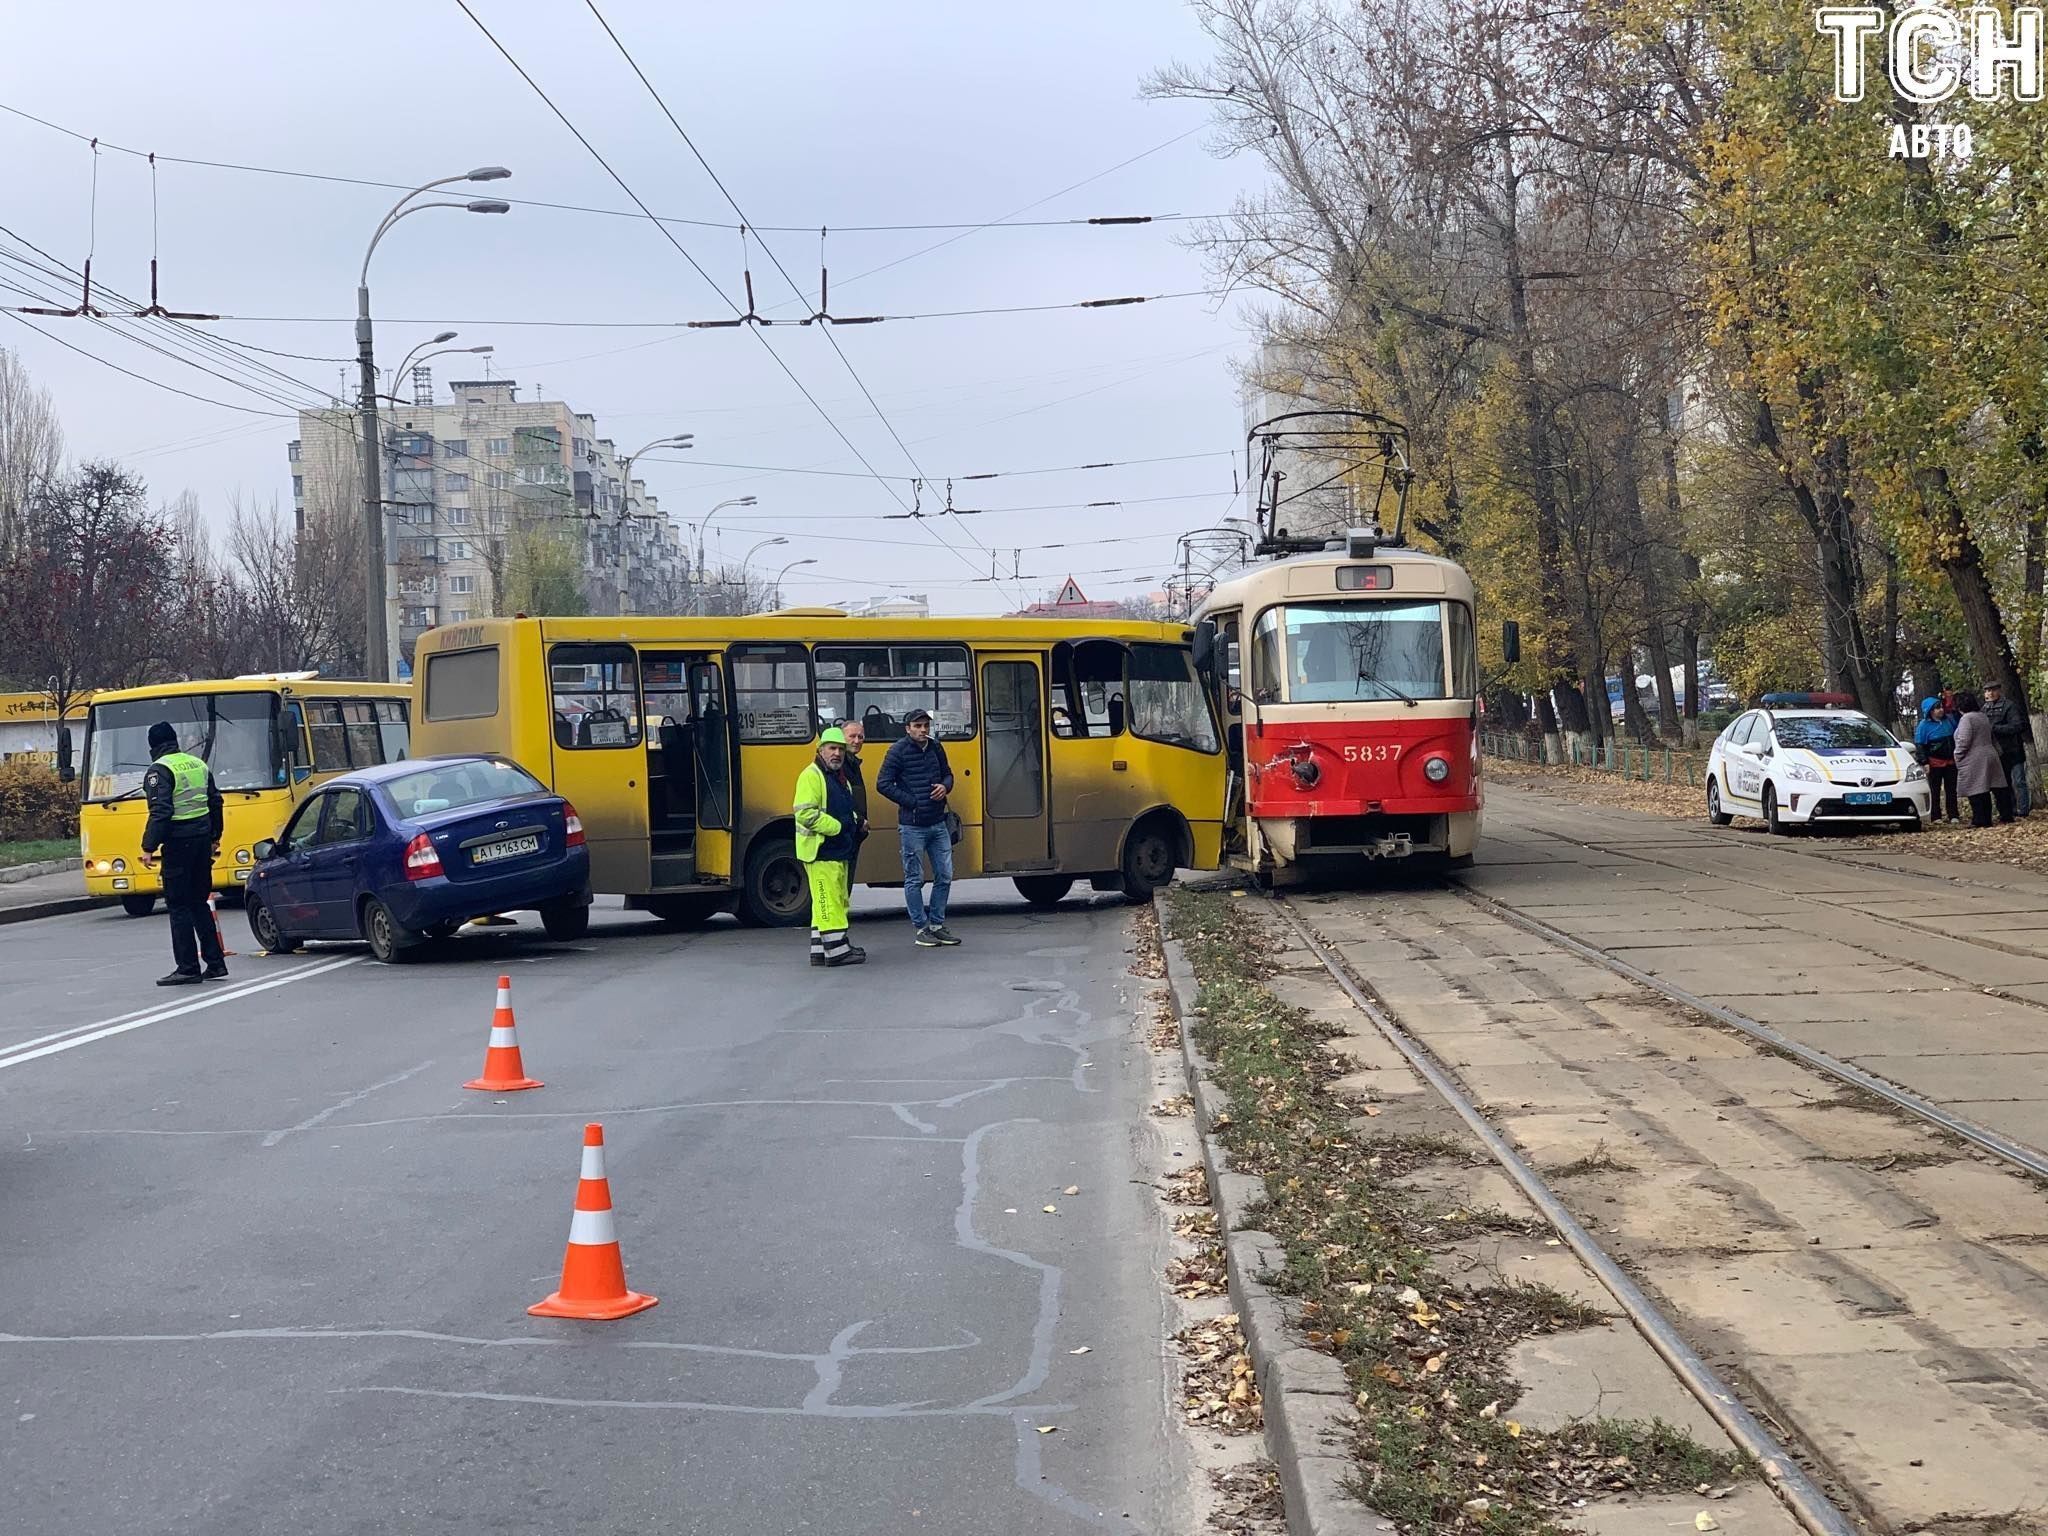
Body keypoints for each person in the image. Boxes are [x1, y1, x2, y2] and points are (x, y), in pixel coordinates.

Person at [136, 721, 226, 986]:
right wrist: (214, 837)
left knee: (178, 905)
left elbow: (161, 812)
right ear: (175, 740)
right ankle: (216, 963)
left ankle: (187, 967)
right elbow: (215, 802)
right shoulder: (198, 764)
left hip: (178, 844)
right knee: (199, 902)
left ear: (153, 746)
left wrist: (148, 846)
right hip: (201, 842)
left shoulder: (159, 770)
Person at [877, 707, 960, 947]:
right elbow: (883, 784)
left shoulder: (935, 747)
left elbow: (948, 774)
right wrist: (911, 801)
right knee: (914, 878)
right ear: (908, 729)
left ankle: (937, 924)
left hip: (938, 822)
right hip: (912, 826)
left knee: (945, 875)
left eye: (925, 726)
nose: (923, 730)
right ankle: (921, 928)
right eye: (917, 726)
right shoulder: (897, 751)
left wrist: (945, 787)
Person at [794, 726, 864, 967]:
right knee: (829, 902)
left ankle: (820, 951)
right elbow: (805, 814)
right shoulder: (811, 775)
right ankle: (837, 951)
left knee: (833, 900)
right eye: (832, 748)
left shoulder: (837, 777)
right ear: (820, 750)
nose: (837, 753)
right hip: (821, 850)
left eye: (840, 749)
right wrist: (836, 827)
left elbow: (845, 807)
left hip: (836, 850)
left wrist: (854, 822)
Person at [1953, 691, 2015, 828]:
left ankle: (1981, 819)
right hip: (1990, 753)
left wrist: (1957, 755)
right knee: (1996, 787)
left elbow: (1964, 740)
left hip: (1974, 758)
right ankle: (2006, 815)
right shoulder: (1983, 716)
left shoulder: (1966, 719)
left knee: (1976, 789)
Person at [1982, 680, 2031, 818]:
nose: (1989, 693)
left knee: (2019, 781)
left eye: (1992, 690)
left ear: (1999, 691)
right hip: (1997, 752)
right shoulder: (1984, 709)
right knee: (2004, 784)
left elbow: (2018, 726)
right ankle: (2010, 809)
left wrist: (1995, 728)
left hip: (2013, 750)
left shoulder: (2009, 706)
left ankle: (2023, 810)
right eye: (1987, 691)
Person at [1915, 697, 1959, 823]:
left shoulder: (1949, 721)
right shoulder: (1923, 726)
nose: (1941, 710)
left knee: (1951, 789)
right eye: (1937, 708)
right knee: (1935, 790)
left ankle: (1953, 814)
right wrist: (1924, 762)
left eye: (1941, 707)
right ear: (1930, 711)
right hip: (1935, 763)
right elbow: (1920, 745)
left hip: (1950, 761)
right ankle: (1936, 815)